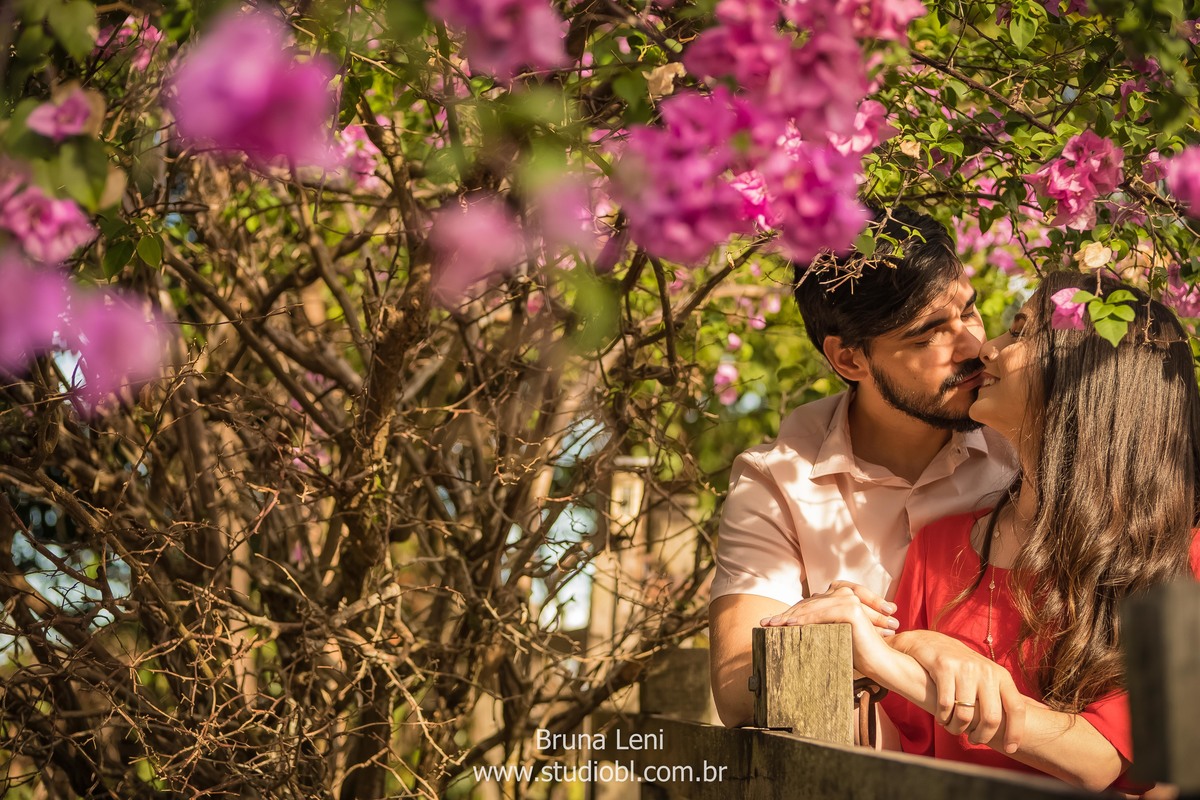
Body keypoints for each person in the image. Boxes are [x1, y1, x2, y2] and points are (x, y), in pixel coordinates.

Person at [832, 271, 1200, 791]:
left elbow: (1100, 758)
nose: (987, 348)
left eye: (1020, 332)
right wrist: (873, 643)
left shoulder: (1178, 559)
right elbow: (903, 746)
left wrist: (887, 660)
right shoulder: (938, 547)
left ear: (1084, 372)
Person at [709, 205, 1018, 729]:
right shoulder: (777, 480)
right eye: (928, 335)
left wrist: (884, 648)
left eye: (969, 312)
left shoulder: (1022, 447)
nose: (973, 346)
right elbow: (740, 692)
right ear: (849, 360)